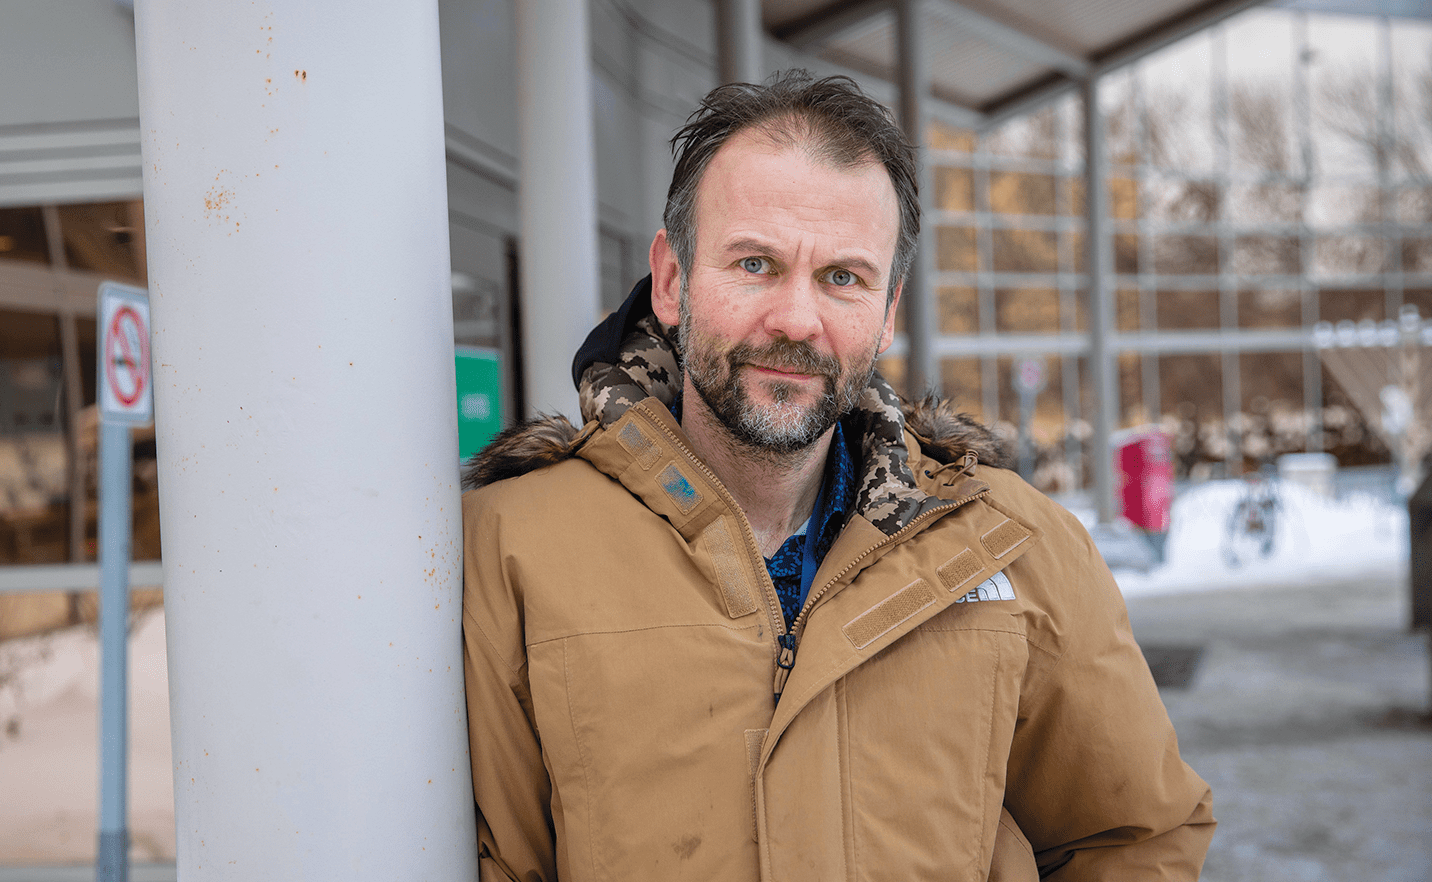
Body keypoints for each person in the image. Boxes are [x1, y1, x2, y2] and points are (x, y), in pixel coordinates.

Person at [461, 70, 1214, 881]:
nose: (795, 319)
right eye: (754, 264)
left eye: (843, 277)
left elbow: (1134, 838)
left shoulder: (1017, 545)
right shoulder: (506, 551)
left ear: (888, 311)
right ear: (674, 280)